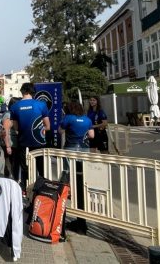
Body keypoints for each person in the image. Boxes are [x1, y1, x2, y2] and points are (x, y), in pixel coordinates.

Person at [60, 101, 95, 235]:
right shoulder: (87, 119)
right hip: (84, 149)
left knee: (68, 174)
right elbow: (92, 135)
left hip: (70, 148)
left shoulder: (68, 118)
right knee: (81, 176)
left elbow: (60, 130)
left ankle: (68, 194)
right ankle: (81, 210)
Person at [10, 82, 50, 193]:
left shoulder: (14, 107)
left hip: (23, 140)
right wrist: (39, 130)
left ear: (22, 92)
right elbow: (48, 126)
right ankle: (41, 189)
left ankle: (24, 189)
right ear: (33, 92)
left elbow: (15, 127)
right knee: (41, 166)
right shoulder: (41, 105)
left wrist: (21, 131)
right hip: (38, 140)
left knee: (24, 167)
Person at [0, 97, 21, 180]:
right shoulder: (8, 115)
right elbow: (5, 131)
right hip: (10, 144)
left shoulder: (13, 113)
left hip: (14, 143)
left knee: (14, 164)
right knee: (10, 163)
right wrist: (8, 146)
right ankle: (8, 181)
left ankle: (13, 180)